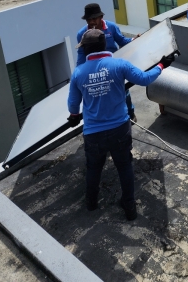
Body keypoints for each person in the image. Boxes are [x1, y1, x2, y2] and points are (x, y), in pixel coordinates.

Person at [68, 28, 174, 219]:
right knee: (124, 166)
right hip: (119, 129)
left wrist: (74, 116)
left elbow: (73, 104)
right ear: (102, 46)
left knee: (94, 168)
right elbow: (144, 79)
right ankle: (130, 208)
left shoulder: (79, 73)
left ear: (85, 50)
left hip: (93, 133)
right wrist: (161, 65)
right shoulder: (119, 65)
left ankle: (91, 203)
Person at [77, 3, 138, 122]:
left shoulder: (111, 27)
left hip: (113, 65)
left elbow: (121, 41)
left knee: (124, 91)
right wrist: (78, 74)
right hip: (95, 67)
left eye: (94, 18)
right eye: (89, 19)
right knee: (102, 93)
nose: (92, 22)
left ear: (101, 17)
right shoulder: (82, 34)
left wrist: (133, 40)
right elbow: (81, 56)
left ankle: (130, 113)